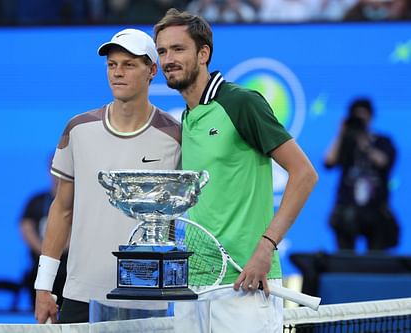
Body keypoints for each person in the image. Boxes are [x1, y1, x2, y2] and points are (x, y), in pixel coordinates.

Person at [154, 8, 318, 332]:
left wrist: (266, 248)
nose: (168, 59)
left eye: (178, 49)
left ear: (204, 53)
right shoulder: (185, 119)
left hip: (245, 281)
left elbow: (304, 173)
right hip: (193, 285)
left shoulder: (241, 102)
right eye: (161, 51)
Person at [34, 28, 181, 324]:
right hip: (80, 292)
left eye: (129, 65)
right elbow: (62, 209)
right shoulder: (78, 129)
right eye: (112, 65)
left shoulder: (175, 135)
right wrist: (43, 285)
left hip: (147, 293)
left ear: (152, 70)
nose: (118, 73)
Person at [324, 98, 399, 252]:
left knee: (376, 259)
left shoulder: (383, 141)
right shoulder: (346, 142)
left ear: (371, 117)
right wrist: (341, 133)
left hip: (376, 209)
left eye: (362, 117)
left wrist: (365, 142)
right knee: (345, 257)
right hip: (347, 208)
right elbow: (329, 162)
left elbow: (384, 161)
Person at [19, 162, 67, 310]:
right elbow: (26, 227)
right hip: (40, 267)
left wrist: (60, 247)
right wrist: (46, 251)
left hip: (68, 270)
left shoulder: (78, 201)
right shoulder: (37, 201)